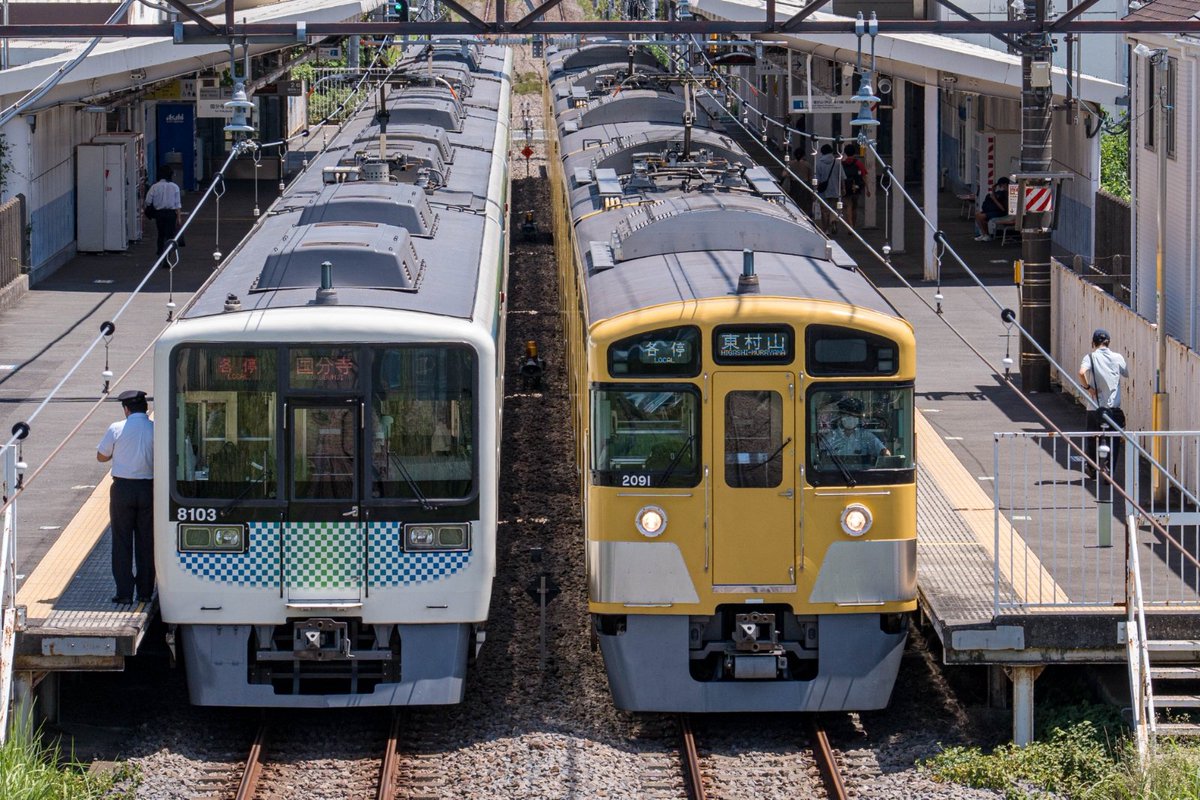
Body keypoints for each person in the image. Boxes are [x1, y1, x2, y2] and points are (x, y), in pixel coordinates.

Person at [96, 390, 155, 605]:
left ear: (126, 409)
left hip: (122, 490)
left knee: (121, 541)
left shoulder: (116, 428)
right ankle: (145, 592)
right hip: (149, 489)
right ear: (146, 409)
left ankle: (124, 593)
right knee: (146, 541)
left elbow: (101, 456)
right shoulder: (155, 429)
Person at [1078, 328, 1128, 478]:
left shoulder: (1090, 357)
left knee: (1093, 438)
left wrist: (1088, 388)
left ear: (1093, 343)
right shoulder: (1117, 357)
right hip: (1113, 408)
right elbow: (1126, 372)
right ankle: (1108, 471)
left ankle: (1092, 469)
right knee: (1113, 440)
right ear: (1108, 342)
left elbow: (1081, 372)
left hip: (1095, 407)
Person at [822, 397, 890, 459]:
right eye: (848, 415)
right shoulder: (831, 437)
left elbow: (883, 451)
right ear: (841, 417)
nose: (851, 418)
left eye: (854, 416)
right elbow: (820, 455)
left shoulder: (865, 436)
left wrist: (885, 456)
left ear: (858, 418)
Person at [145, 166, 182, 258]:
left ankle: (160, 251)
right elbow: (177, 204)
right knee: (170, 234)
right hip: (171, 214)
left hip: (159, 214)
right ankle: (168, 254)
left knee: (161, 233)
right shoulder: (175, 187)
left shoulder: (154, 187)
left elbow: (148, 201)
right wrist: (179, 218)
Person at [814, 143, 843, 235]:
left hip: (823, 190)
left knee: (824, 211)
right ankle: (833, 220)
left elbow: (817, 179)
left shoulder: (819, 163)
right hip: (835, 189)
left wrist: (815, 189)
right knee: (834, 208)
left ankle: (826, 230)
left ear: (822, 152)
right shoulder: (837, 162)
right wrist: (843, 188)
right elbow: (842, 177)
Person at [841, 143, 871, 230]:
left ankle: (850, 226)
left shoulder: (842, 164)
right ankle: (853, 225)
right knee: (854, 207)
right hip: (856, 187)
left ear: (845, 153)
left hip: (846, 187)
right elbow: (864, 176)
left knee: (848, 206)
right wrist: (867, 189)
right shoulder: (858, 163)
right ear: (854, 152)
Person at [974, 177, 1011, 242]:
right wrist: (993, 190)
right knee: (977, 214)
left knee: (981, 216)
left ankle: (986, 235)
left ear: (1005, 184)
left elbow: (1003, 209)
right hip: (996, 210)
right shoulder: (1002, 192)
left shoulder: (1008, 194)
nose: (1000, 187)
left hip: (1001, 212)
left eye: (1001, 185)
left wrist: (994, 199)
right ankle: (984, 234)